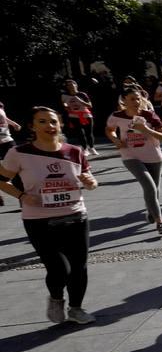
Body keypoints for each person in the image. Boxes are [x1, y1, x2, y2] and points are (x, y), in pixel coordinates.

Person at [0, 107, 99, 324]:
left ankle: (76, 308)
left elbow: (88, 177)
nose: (49, 126)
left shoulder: (74, 151)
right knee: (59, 269)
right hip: (39, 220)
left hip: (75, 216)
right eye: (43, 122)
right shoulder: (19, 153)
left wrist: (91, 182)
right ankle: (56, 298)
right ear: (32, 127)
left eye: (53, 122)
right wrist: (22, 196)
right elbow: (2, 180)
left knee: (79, 267)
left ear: (60, 124)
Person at [105, 87, 162, 235]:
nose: (136, 101)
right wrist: (115, 140)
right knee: (149, 186)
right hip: (130, 155)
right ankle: (160, 222)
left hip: (154, 156)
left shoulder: (149, 115)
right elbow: (109, 129)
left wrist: (145, 129)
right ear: (124, 100)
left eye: (138, 98)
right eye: (132, 99)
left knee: (155, 188)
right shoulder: (117, 116)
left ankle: (151, 211)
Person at [59, 80, 98, 158]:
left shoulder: (82, 94)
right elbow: (64, 105)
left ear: (76, 85)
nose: (71, 86)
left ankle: (92, 148)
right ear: (67, 87)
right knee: (80, 133)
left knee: (89, 133)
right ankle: (85, 149)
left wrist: (80, 100)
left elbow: (90, 105)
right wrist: (66, 106)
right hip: (74, 116)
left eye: (72, 84)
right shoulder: (64, 96)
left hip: (86, 115)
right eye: (69, 85)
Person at [0, 101, 20, 205]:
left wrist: (14, 124)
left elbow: (4, 117)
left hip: (7, 140)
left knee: (17, 168)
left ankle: (22, 195)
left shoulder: (0, 105)